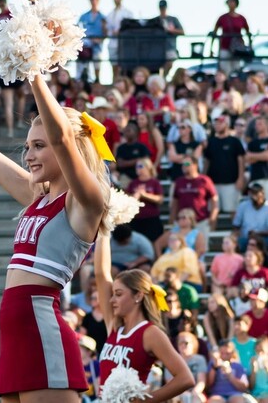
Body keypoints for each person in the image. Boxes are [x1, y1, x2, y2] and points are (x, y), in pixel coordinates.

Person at [0, 66, 113, 400]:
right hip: (15, 331)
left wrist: (32, 72)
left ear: (68, 148)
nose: (29, 156)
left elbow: (61, 137)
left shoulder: (85, 202)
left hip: (40, 326)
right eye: (28, 146)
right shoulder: (37, 197)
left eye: (39, 146)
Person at [94, 236, 193, 400]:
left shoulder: (150, 333)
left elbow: (185, 378)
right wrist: (104, 229)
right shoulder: (115, 326)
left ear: (138, 296)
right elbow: (100, 273)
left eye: (118, 294)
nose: (112, 300)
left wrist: (146, 400)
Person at [204, 113, 246, 215]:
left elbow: (241, 160)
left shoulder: (234, 141)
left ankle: (235, 231)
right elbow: (207, 161)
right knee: (213, 211)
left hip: (231, 182)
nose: (217, 125)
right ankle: (211, 231)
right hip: (213, 182)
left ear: (226, 124)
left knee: (233, 210)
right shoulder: (210, 141)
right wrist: (204, 178)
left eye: (220, 123)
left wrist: (240, 178)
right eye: (216, 123)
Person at [171, 156, 219, 240]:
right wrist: (173, 219)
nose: (184, 166)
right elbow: (175, 202)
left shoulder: (204, 180)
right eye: (182, 164)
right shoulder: (178, 182)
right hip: (183, 222)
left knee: (201, 249)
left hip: (200, 221)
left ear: (195, 165)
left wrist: (212, 218)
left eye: (186, 164)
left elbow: (214, 201)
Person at [211, 0, 252, 75]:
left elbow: (247, 32)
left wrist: (248, 47)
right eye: (229, 2)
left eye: (232, 2)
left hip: (237, 47)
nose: (230, 4)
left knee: (236, 68)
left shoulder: (241, 18)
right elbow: (214, 33)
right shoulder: (222, 18)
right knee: (225, 68)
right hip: (225, 46)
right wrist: (211, 49)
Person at [127, 158, 164, 241]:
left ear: (148, 167)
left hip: (152, 219)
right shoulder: (133, 183)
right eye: (136, 166)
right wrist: (136, 196)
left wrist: (145, 195)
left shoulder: (154, 182)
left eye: (140, 166)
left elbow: (160, 199)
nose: (137, 168)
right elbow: (128, 200)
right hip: (136, 219)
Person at [77, 0, 107, 83]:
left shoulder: (102, 17)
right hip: (85, 43)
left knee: (97, 59)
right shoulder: (83, 16)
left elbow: (105, 32)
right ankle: (82, 78)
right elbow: (78, 29)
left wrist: (99, 40)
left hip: (97, 45)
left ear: (98, 0)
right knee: (82, 60)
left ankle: (97, 79)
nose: (93, 1)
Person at [232, 183, 268, 251]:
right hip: (246, 238)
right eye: (252, 193)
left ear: (262, 194)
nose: (253, 196)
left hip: (264, 238)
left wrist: (257, 233)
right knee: (237, 243)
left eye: (256, 193)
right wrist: (236, 236)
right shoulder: (243, 205)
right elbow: (236, 225)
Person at [106, 0, 133, 77]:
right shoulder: (110, 14)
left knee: (123, 65)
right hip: (112, 42)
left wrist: (120, 31)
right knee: (114, 65)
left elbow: (131, 26)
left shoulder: (127, 13)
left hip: (124, 42)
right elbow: (107, 28)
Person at [153, 0, 184, 77]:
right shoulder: (155, 20)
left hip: (170, 46)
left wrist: (171, 30)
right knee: (157, 66)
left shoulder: (173, 19)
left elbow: (182, 32)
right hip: (157, 47)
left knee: (169, 64)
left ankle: (164, 78)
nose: (162, 9)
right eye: (161, 8)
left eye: (163, 8)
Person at [249, 336, 268, 403]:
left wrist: (266, 368)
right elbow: (251, 386)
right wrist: (253, 370)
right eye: (257, 351)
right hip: (255, 393)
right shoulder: (252, 360)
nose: (259, 354)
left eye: (262, 351)